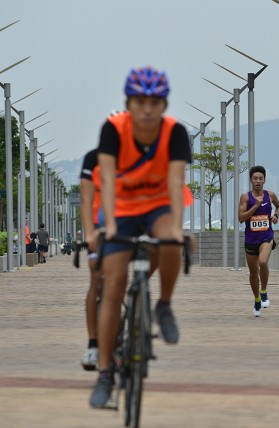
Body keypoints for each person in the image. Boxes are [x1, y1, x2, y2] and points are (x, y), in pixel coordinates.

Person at [89, 66, 192, 408]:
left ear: (164, 105)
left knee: (171, 241)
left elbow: (176, 181)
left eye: (154, 102)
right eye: (140, 102)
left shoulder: (175, 132)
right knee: (114, 284)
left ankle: (164, 305)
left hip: (158, 204)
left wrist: (176, 226)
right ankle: (105, 373)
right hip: (123, 207)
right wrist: (109, 226)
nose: (147, 109)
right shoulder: (113, 130)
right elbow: (105, 178)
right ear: (128, 103)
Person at [238, 165, 279, 317]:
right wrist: (255, 206)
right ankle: (257, 299)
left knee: (263, 262)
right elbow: (241, 218)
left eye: (260, 178)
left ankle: (263, 291)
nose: (258, 181)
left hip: (266, 236)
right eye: (255, 178)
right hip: (251, 240)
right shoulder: (245, 197)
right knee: (253, 272)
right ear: (251, 180)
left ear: (264, 180)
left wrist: (276, 216)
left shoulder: (270, 195)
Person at [79, 148, 103, 371]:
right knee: (96, 277)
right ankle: (93, 343)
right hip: (97, 225)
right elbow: (86, 200)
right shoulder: (93, 158)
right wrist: (89, 234)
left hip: (126, 221)